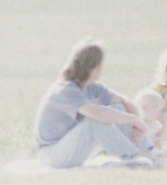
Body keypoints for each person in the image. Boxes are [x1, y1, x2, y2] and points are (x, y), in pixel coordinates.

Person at [33, 39, 155, 168]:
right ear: (96, 68)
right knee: (95, 121)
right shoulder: (64, 90)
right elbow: (98, 114)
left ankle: (147, 152)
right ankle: (132, 157)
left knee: (119, 108)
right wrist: (132, 119)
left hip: (72, 148)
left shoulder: (91, 86)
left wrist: (136, 126)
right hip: (52, 154)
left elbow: (124, 101)